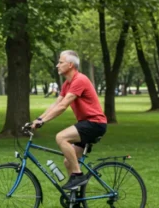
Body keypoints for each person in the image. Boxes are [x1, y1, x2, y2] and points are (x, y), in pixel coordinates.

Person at [32, 50, 107, 194]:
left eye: (60, 62)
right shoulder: (67, 84)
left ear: (70, 65)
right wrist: (39, 119)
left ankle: (78, 176)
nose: (57, 65)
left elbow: (63, 106)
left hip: (94, 123)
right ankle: (75, 199)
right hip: (87, 123)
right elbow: (56, 103)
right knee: (68, 161)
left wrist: (43, 121)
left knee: (61, 137)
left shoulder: (80, 80)